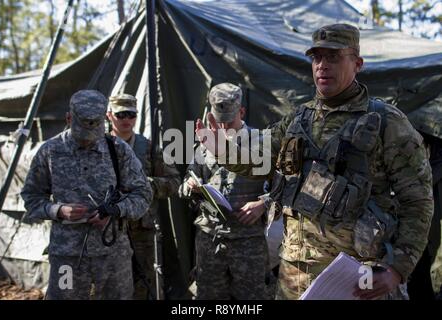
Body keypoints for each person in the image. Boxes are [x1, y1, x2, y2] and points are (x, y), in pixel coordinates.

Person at [196, 24, 434, 300]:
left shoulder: (387, 123)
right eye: (317, 57)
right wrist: (222, 151)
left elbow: (418, 200)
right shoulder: (298, 119)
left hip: (355, 279)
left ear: (357, 63)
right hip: (293, 277)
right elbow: (255, 158)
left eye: (333, 57)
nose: (322, 65)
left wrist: (397, 269)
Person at [21, 89, 153, 300]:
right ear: (69, 118)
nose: (87, 141)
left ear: (103, 120)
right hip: (68, 256)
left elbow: (143, 194)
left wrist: (115, 210)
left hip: (112, 255)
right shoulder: (50, 151)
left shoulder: (118, 150)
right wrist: (58, 210)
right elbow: (31, 197)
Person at [179, 83, 270, 300]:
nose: (224, 125)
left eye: (229, 120)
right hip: (210, 239)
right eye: (220, 121)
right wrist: (191, 187)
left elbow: (285, 186)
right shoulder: (204, 145)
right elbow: (183, 185)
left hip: (248, 241)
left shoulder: (263, 142)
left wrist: (263, 203)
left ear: (242, 112)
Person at [106, 93, 181, 300]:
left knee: (144, 285)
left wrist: (146, 185)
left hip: (142, 232)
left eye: (131, 114)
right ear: (109, 115)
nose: (127, 120)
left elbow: (175, 183)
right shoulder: (99, 147)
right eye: (121, 114)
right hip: (107, 229)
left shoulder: (148, 147)